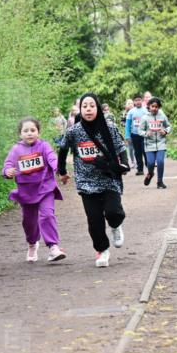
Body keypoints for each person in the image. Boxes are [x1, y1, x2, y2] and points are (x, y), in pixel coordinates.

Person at [57, 93, 131, 268]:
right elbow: (62, 149)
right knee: (94, 220)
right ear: (80, 110)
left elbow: (121, 147)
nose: (88, 109)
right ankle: (103, 251)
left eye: (92, 105)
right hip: (86, 181)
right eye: (85, 106)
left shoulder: (109, 127)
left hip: (108, 178)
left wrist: (125, 164)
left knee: (114, 213)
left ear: (97, 108)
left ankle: (115, 226)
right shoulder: (74, 131)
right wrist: (62, 171)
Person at [2, 117, 67, 263]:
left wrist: (59, 169)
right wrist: (8, 171)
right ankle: (32, 244)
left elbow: (52, 158)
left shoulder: (44, 146)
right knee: (29, 222)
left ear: (38, 132)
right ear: (20, 134)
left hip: (45, 188)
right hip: (26, 193)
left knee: (47, 215)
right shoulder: (16, 150)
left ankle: (53, 247)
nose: (29, 133)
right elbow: (7, 165)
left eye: (33, 130)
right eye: (25, 131)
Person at [140, 97, 171, 189]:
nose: (154, 108)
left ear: (159, 107)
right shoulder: (145, 118)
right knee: (150, 163)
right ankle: (150, 173)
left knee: (160, 161)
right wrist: (146, 133)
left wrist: (165, 131)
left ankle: (160, 181)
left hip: (161, 143)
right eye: (152, 106)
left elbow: (169, 126)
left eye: (156, 107)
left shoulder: (162, 116)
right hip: (149, 145)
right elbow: (140, 130)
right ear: (149, 106)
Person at [126, 95, 148, 176]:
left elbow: (149, 122)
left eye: (139, 100)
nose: (138, 102)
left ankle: (149, 166)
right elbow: (128, 125)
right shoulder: (131, 112)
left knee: (145, 151)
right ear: (134, 102)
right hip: (134, 135)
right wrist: (127, 136)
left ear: (142, 101)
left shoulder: (146, 111)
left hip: (144, 135)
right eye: (136, 100)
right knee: (137, 152)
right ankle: (140, 169)